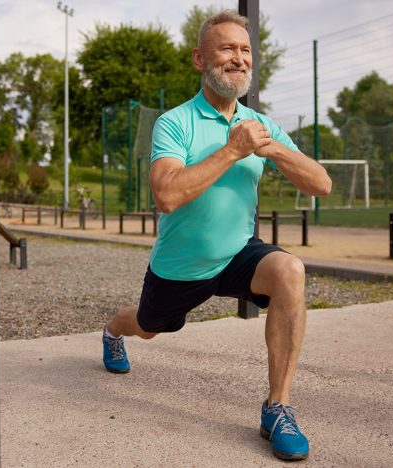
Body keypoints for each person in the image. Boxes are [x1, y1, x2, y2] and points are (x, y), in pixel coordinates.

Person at [102, 9, 331, 462]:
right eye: (227, 48)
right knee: (148, 327)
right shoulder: (175, 122)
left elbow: (320, 183)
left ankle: (277, 407)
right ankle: (111, 331)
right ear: (199, 58)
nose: (239, 58)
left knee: (289, 270)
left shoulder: (260, 125)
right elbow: (167, 195)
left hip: (238, 253)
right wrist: (233, 150)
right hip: (181, 265)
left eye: (245, 50)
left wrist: (272, 147)